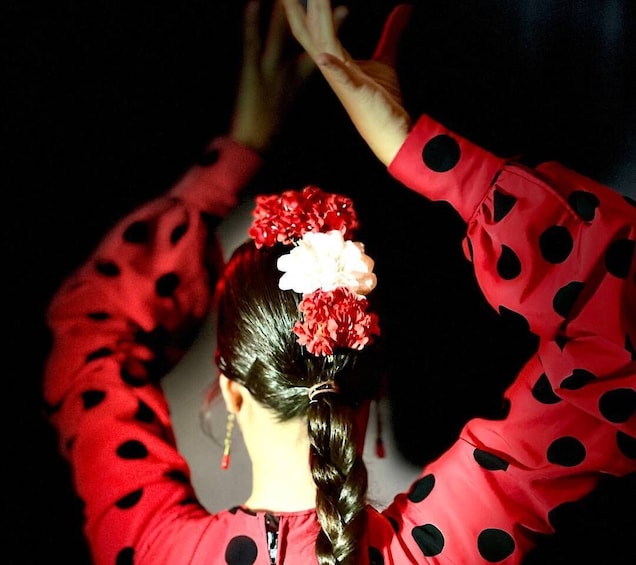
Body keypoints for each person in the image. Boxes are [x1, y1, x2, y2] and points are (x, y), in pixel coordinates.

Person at [42, 3, 635, 565]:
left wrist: (236, 153)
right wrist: (415, 147)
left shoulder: (149, 546)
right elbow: (618, 322)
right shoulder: (438, 547)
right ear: (372, 386)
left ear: (232, 391)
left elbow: (87, 328)